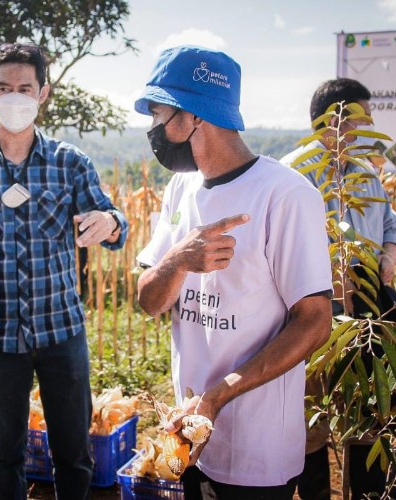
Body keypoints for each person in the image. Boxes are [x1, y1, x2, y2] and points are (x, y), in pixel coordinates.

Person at [134, 45, 333, 500]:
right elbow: (149, 301)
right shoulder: (180, 188)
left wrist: (219, 396)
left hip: (256, 444)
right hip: (188, 432)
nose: (153, 130)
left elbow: (315, 321)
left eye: (158, 114)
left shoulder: (285, 195)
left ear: (192, 118)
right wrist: (178, 259)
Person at [0, 42, 128, 499]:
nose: (14, 97)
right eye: (4, 87)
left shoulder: (70, 163)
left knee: (73, 451)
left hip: (61, 330)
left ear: (43, 93)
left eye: (25, 88)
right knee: (4, 455)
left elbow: (112, 222)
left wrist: (110, 222)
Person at [280, 77, 396, 500]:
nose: (369, 126)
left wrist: (389, 255)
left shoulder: (366, 174)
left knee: (369, 410)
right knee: (312, 417)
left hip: (367, 312)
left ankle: (366, 491)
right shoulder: (293, 172)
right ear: (334, 119)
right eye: (363, 117)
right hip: (312, 311)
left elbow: (392, 224)